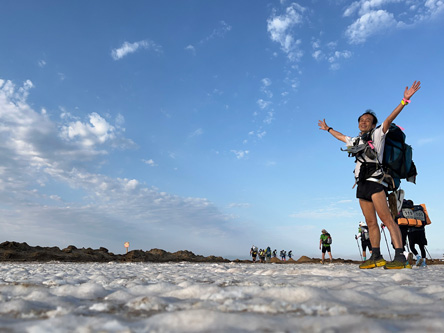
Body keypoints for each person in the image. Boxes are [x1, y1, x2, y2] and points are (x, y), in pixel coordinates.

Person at [318, 81, 421, 269]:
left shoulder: (377, 135)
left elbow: (389, 119)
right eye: (361, 120)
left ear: (373, 123)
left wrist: (405, 100)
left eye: (367, 120)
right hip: (361, 184)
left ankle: (399, 256)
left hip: (376, 181)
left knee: (386, 219)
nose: (363, 122)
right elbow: (342, 137)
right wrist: (328, 129)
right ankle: (376, 256)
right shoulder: (356, 140)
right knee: (370, 222)